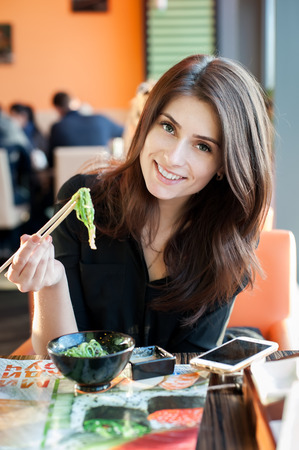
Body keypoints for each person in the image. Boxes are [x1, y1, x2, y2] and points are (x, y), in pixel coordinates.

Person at [6, 54, 273, 355]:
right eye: (168, 127)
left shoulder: (228, 236)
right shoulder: (84, 201)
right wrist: (52, 282)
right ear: (147, 122)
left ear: (225, 164)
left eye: (203, 146)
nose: (173, 157)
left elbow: (191, 362)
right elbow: (61, 354)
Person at [47, 92, 124, 167]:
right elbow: (126, 133)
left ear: (58, 109)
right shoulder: (101, 121)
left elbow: (50, 161)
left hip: (66, 178)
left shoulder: (58, 128)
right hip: (100, 176)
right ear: (73, 102)